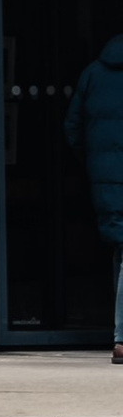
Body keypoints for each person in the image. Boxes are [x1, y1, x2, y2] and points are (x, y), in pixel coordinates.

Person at [64, 30, 123, 358]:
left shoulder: (93, 73)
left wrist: (96, 164)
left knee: (121, 250)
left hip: (104, 179)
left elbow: (72, 127)